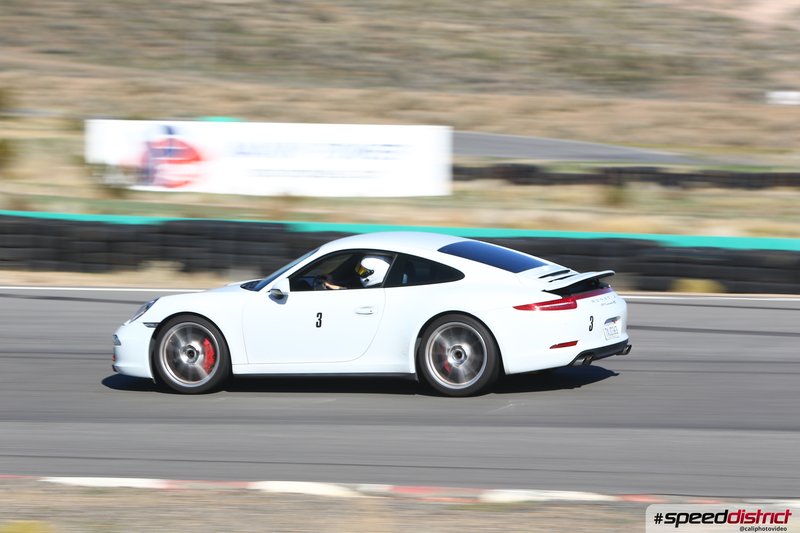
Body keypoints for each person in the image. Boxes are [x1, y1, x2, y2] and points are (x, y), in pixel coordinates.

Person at [319, 255, 391, 290]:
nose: (358, 273)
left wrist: (337, 288)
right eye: (359, 269)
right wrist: (332, 278)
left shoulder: (376, 291)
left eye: (362, 271)